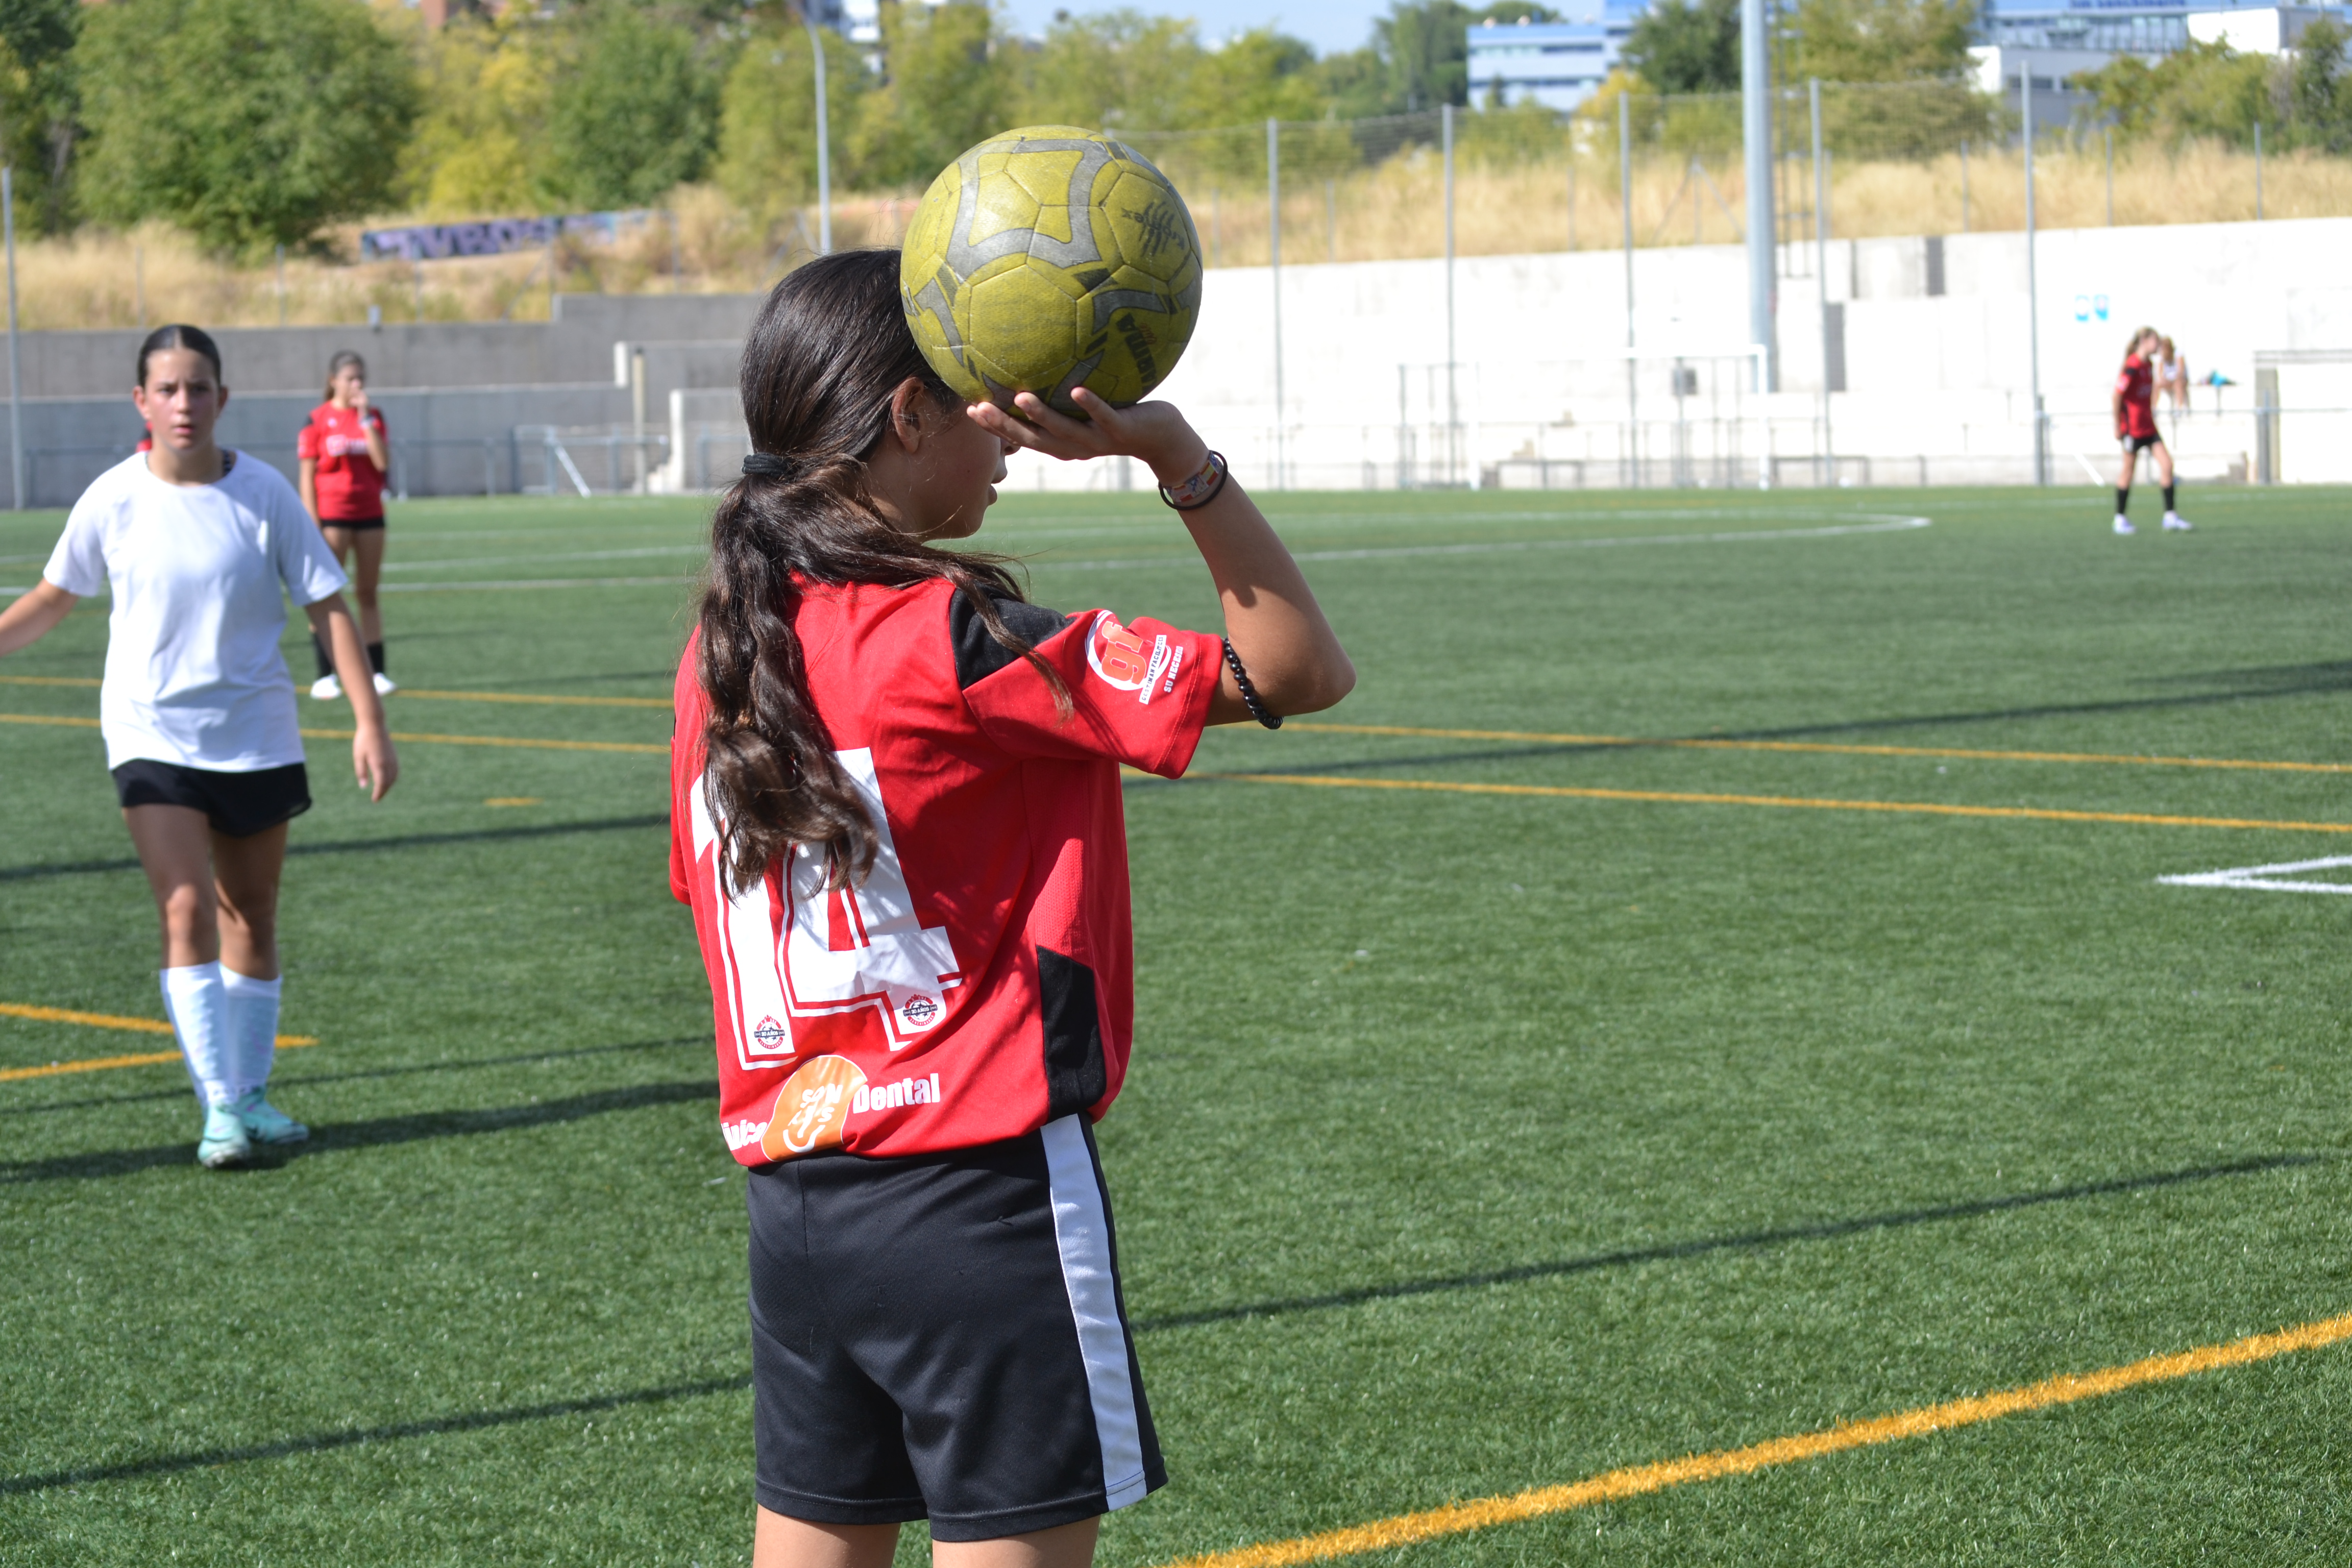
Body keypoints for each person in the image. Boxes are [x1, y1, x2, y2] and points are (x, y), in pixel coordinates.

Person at [667, 251, 1353, 1568]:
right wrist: (1178, 458)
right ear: (907, 412)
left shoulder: (723, 654)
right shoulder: (954, 633)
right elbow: (1297, 668)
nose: (1008, 441)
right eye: (982, 400)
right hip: (973, 1203)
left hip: (798, 1208)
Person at [0, 325, 398, 1169]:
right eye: (168, 389)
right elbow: (52, 597)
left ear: (224, 397)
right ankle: (220, 1105)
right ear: (141, 401)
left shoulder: (264, 494)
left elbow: (327, 606)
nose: (185, 403)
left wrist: (369, 721)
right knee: (185, 907)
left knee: (251, 911)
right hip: (150, 732)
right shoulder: (112, 497)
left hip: (255, 734)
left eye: (199, 387)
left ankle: (250, 1094)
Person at [297, 350, 395, 699]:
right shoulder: (317, 419)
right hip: (333, 515)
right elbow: (307, 476)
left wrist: (365, 419)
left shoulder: (373, 417)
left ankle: (377, 672)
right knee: (326, 594)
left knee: (368, 593)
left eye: (361, 378)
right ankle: (326, 675)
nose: (357, 384)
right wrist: (312, 521)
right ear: (333, 380)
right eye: (350, 378)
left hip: (370, 513)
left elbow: (382, 462)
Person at [2112, 326, 2190, 535]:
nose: (2158, 345)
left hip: (2149, 426)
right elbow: (2117, 395)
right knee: (2128, 472)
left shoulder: (2149, 365)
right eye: (2155, 340)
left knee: (2167, 465)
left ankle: (2170, 517)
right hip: (2133, 429)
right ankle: (2120, 519)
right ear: (2145, 341)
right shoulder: (2133, 366)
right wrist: (2117, 424)